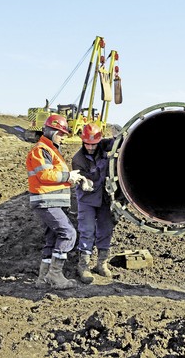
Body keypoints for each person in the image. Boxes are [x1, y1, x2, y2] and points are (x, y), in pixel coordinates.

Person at [26, 114, 85, 290]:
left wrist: (75, 179)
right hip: (46, 201)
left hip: (51, 201)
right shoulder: (41, 150)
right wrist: (69, 176)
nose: (63, 137)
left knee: (52, 238)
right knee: (68, 233)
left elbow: (55, 176)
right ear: (51, 131)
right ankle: (55, 274)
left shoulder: (50, 149)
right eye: (60, 133)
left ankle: (43, 278)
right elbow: (44, 175)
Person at [71, 123, 115, 284]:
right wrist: (84, 180)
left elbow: (117, 143)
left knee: (105, 229)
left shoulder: (103, 146)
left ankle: (101, 263)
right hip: (87, 199)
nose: (90, 147)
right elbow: (82, 176)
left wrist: (121, 136)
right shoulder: (78, 159)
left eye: (93, 144)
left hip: (103, 198)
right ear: (83, 141)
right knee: (87, 230)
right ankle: (83, 266)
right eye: (87, 144)